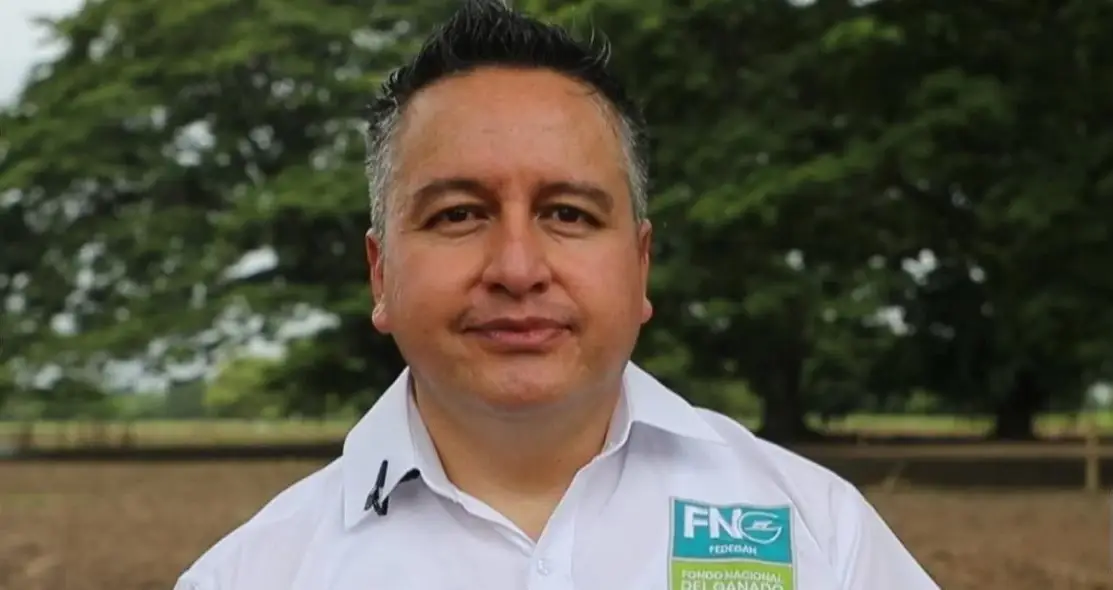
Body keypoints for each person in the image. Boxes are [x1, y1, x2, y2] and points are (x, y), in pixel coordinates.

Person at [174, 1, 940, 588]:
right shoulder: (255, 574)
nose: (516, 268)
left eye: (568, 214)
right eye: (458, 215)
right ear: (380, 274)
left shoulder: (819, 534)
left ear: (639, 264)